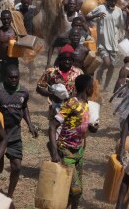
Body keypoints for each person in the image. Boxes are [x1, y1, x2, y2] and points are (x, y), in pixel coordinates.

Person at [0, 65, 38, 197]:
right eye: (11, 77)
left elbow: (24, 108)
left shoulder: (24, 92)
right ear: (5, 77)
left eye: (16, 77)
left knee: (17, 166)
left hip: (14, 135)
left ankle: (10, 195)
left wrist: (30, 125)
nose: (14, 80)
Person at [48, 74, 98, 209]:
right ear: (88, 89)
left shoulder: (89, 106)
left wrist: (92, 128)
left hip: (78, 151)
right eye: (92, 87)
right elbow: (52, 126)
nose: (94, 90)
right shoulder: (71, 103)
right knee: (76, 190)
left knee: (76, 190)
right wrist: (54, 153)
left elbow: (84, 125)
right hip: (66, 149)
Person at [86, 0, 125, 91]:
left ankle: (106, 86)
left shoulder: (119, 11)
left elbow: (121, 26)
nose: (112, 3)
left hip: (114, 43)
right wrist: (97, 15)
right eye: (110, 1)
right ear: (106, 0)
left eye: (114, 1)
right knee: (108, 64)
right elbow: (87, 17)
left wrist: (121, 38)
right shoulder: (101, 8)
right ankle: (100, 72)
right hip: (102, 43)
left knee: (112, 67)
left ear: (116, 2)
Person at [37, 44, 84, 116]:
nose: (67, 62)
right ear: (60, 59)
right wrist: (51, 95)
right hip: (55, 110)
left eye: (69, 60)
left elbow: (83, 91)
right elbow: (39, 88)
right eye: (65, 59)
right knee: (54, 126)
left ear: (73, 60)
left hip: (73, 110)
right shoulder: (51, 72)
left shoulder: (78, 73)